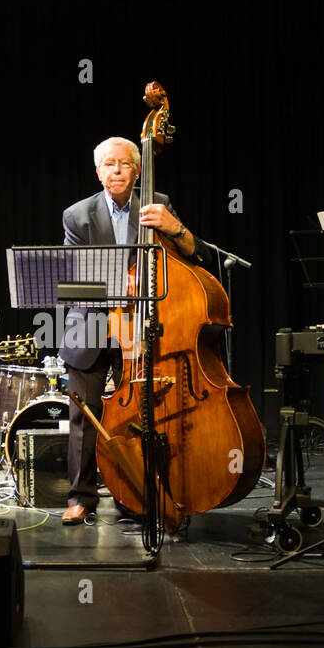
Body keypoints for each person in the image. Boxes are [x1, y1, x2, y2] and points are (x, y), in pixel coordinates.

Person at [59, 136, 212, 525]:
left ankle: (142, 493)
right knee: (86, 415)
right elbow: (70, 282)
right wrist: (114, 284)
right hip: (92, 325)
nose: (116, 171)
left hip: (145, 327)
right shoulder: (77, 215)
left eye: (124, 164)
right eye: (108, 164)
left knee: (150, 414)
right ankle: (81, 498)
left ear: (137, 169)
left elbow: (194, 255)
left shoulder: (156, 203)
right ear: (97, 172)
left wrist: (174, 227)